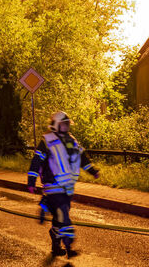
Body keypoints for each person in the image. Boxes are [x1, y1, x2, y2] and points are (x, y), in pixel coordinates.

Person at [27, 111, 99, 258]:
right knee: (63, 215)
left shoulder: (72, 140)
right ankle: (69, 246)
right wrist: (31, 181)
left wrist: (93, 171)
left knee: (59, 218)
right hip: (53, 186)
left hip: (67, 188)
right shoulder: (47, 140)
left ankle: (55, 240)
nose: (66, 126)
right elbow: (36, 161)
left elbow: (82, 158)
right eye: (63, 124)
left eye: (67, 124)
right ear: (55, 125)